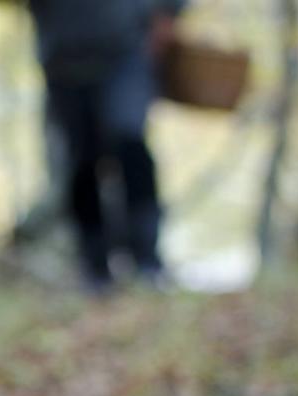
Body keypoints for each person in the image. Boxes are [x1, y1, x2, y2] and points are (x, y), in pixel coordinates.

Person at [29, 0, 185, 292]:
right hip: (62, 57)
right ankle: (95, 267)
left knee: (129, 139)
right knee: (82, 161)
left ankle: (147, 262)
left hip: (128, 48)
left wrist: (168, 13)